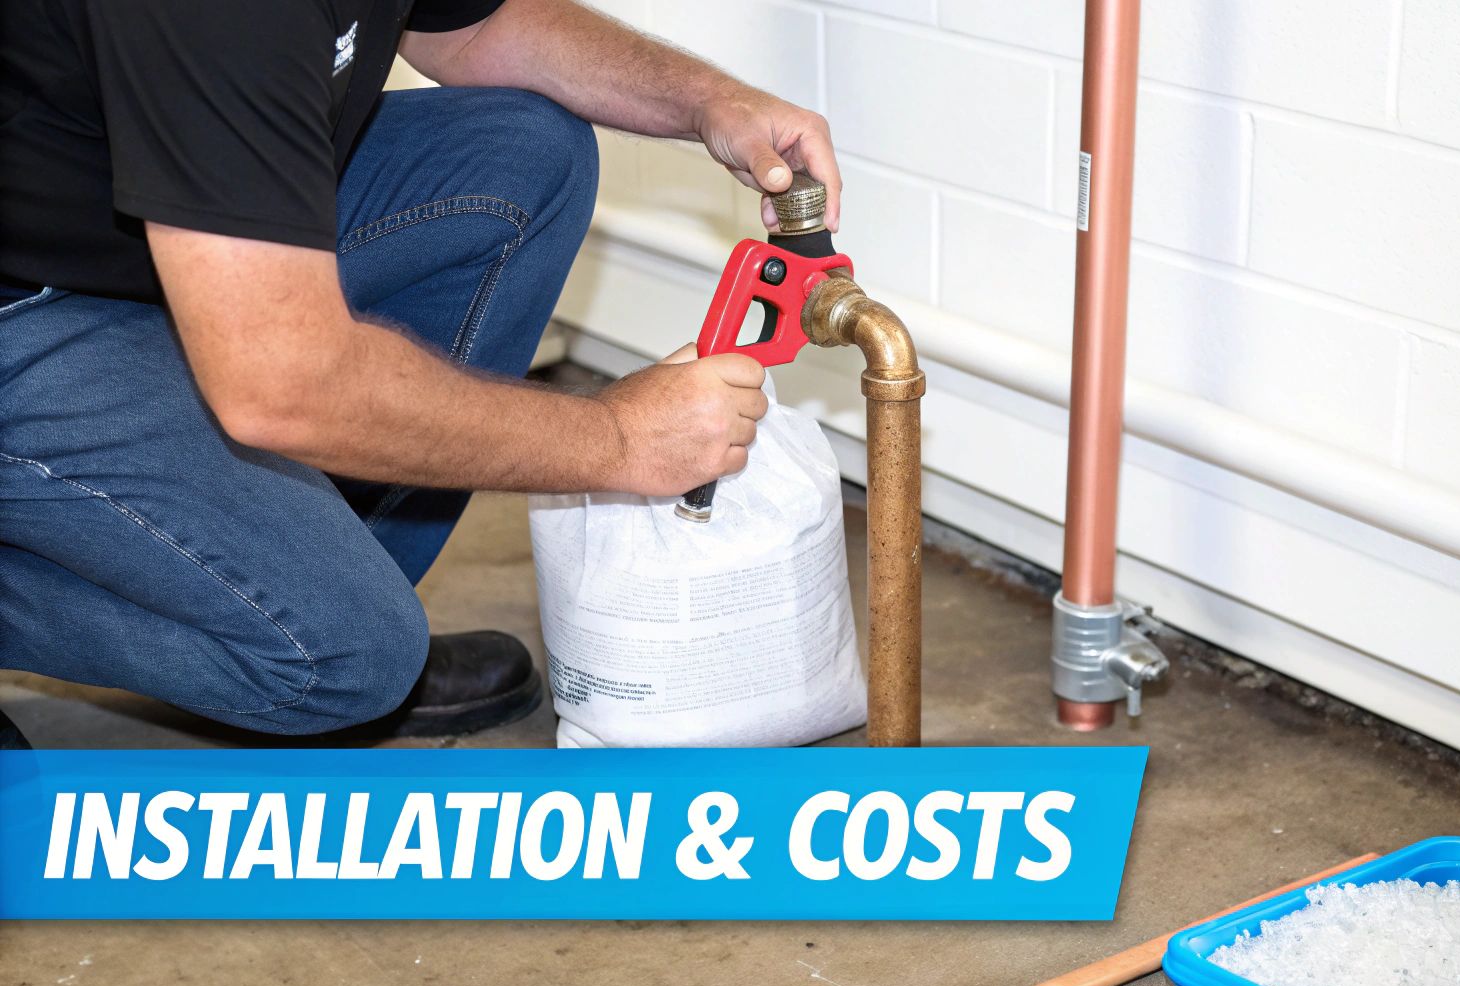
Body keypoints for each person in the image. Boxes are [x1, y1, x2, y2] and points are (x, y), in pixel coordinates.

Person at [0, 0, 844, 743]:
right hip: (24, 305)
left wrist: (706, 98)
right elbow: (283, 385)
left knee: (524, 156)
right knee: (347, 658)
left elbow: (473, 25)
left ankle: (292, 582)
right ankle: (318, 628)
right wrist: (619, 439)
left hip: (136, 230)